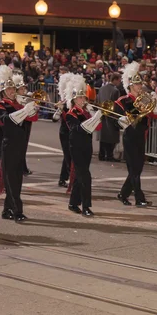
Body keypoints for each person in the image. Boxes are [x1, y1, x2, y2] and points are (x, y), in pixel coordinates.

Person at [0, 65, 38, 222]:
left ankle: (7, 210)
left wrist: (32, 108)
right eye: (9, 89)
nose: (12, 91)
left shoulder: (18, 104)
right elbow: (7, 121)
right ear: (3, 92)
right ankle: (17, 211)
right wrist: (25, 110)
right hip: (9, 145)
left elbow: (32, 119)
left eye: (13, 88)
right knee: (11, 180)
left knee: (16, 179)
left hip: (20, 145)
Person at [114, 62, 157, 207]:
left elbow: (156, 116)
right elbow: (117, 119)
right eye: (137, 84)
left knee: (137, 168)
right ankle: (139, 198)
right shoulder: (124, 100)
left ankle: (123, 194)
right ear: (130, 86)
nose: (140, 86)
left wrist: (155, 102)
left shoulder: (145, 98)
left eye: (140, 84)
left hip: (141, 135)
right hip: (130, 136)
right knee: (134, 168)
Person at [63, 74, 102, 217]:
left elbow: (97, 128)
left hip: (87, 146)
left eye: (83, 98)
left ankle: (73, 203)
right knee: (85, 176)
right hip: (76, 147)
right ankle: (86, 206)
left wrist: (95, 116)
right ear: (74, 100)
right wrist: (92, 118)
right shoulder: (71, 114)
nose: (82, 100)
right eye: (79, 98)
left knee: (81, 176)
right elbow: (78, 128)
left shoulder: (86, 112)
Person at [14, 72, 38, 175]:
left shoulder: (26, 99)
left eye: (24, 89)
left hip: (27, 124)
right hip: (19, 124)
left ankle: (23, 167)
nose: (23, 91)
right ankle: (19, 167)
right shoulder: (15, 100)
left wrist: (34, 108)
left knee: (24, 147)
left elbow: (34, 117)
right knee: (18, 147)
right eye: (21, 89)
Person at [98, 73, 121, 161]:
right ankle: (109, 155)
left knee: (103, 137)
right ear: (115, 79)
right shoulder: (115, 91)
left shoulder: (101, 89)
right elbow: (116, 105)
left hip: (102, 114)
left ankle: (102, 154)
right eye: (119, 80)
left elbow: (98, 100)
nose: (119, 82)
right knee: (112, 136)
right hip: (112, 116)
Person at [56, 71, 73, 188]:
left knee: (69, 155)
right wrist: (60, 109)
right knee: (68, 157)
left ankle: (62, 179)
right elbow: (54, 118)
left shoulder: (73, 101)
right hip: (65, 132)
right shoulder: (63, 102)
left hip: (73, 132)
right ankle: (72, 179)